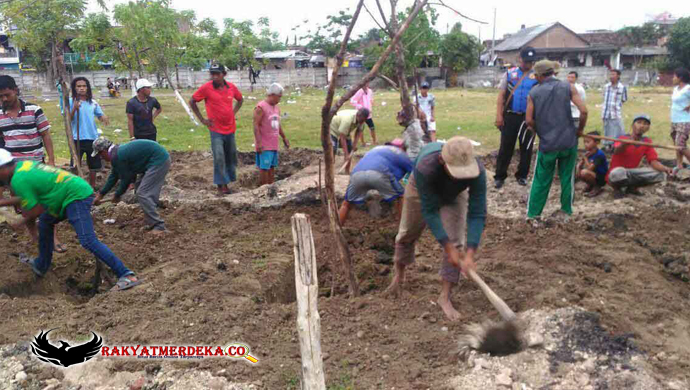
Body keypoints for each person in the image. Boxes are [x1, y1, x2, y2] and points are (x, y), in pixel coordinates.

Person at [0, 149, 140, 291]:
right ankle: (41, 266)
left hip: (75, 197)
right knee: (45, 222)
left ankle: (126, 275)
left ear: (3, 168)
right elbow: (27, 201)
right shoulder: (23, 167)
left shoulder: (19, 180)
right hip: (66, 195)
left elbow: (36, 210)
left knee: (87, 239)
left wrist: (20, 222)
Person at [388, 137, 486, 321]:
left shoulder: (476, 171)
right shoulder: (427, 167)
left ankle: (445, 297)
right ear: (442, 161)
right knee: (407, 232)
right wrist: (446, 247)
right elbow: (430, 211)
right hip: (420, 188)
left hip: (455, 195)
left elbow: (477, 212)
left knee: (456, 243)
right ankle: (399, 276)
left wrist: (470, 252)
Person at [0, 75, 66, 252]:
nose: (4, 99)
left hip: (36, 166)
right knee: (23, 206)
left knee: (45, 203)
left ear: (15, 90)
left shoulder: (34, 110)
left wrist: (51, 160)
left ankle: (53, 237)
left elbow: (46, 135)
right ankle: (36, 237)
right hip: (14, 171)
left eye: (7, 95)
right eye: (1, 97)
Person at [525, 60, 588, 221]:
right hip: (568, 142)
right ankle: (566, 211)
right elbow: (584, 111)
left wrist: (539, 130)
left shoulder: (534, 92)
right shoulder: (568, 86)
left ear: (539, 76)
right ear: (553, 73)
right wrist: (579, 130)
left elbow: (529, 120)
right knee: (567, 178)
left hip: (548, 144)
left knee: (541, 180)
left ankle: (533, 215)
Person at [92, 137, 171, 235]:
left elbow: (126, 179)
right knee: (139, 189)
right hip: (152, 161)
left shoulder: (117, 155)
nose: (100, 158)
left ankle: (158, 226)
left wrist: (117, 195)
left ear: (103, 151)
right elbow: (114, 175)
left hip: (158, 161)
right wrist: (101, 194)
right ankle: (151, 220)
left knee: (143, 193)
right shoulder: (116, 153)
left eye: (99, 154)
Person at [189, 64, 244, 196]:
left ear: (224, 74)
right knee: (219, 156)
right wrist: (202, 120)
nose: (214, 76)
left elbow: (240, 99)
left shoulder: (231, 87)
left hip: (230, 128)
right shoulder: (207, 88)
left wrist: (233, 113)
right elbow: (192, 101)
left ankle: (228, 181)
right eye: (212, 74)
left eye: (217, 74)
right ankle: (221, 186)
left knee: (230, 155)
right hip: (216, 129)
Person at [338, 140, 413, 226]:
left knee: (346, 204)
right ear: (403, 148)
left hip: (356, 174)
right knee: (400, 197)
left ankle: (336, 230)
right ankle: (403, 229)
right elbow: (416, 174)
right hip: (380, 173)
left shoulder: (376, 149)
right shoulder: (401, 154)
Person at [494, 47, 539, 189]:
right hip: (510, 116)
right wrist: (499, 115)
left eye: (531, 62)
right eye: (526, 61)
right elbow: (501, 96)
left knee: (526, 147)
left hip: (528, 118)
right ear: (520, 59)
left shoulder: (537, 76)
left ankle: (522, 175)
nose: (528, 64)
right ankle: (500, 176)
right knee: (506, 147)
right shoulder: (510, 74)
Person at [607, 115, 672, 199]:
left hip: (632, 173)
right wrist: (625, 143)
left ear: (648, 128)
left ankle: (631, 187)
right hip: (617, 173)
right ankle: (617, 189)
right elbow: (616, 151)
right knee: (617, 172)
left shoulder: (647, 142)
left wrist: (666, 169)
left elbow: (653, 162)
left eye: (645, 124)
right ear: (633, 125)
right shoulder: (622, 138)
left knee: (661, 174)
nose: (641, 126)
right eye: (639, 122)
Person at [70, 77, 110, 188]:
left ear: (87, 88)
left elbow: (99, 115)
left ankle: (91, 186)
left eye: (84, 86)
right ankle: (75, 186)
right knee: (75, 163)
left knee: (93, 164)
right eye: (79, 86)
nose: (82, 88)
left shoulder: (93, 102)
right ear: (74, 88)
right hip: (76, 137)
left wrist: (104, 118)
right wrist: (74, 108)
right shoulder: (70, 101)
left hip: (92, 137)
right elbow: (68, 119)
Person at [253, 83, 290, 186]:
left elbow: (277, 124)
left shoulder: (277, 108)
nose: (279, 99)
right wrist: (259, 143)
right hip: (264, 145)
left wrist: (284, 137)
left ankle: (271, 187)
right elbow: (255, 125)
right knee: (264, 168)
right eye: (279, 97)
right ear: (272, 94)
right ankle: (263, 189)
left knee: (272, 167)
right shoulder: (260, 107)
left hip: (274, 144)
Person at [330, 108, 368, 173]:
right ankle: (330, 170)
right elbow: (342, 137)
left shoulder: (362, 120)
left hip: (345, 130)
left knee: (349, 149)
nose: (362, 122)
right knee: (332, 149)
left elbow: (358, 132)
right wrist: (346, 153)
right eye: (361, 120)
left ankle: (346, 172)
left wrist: (354, 144)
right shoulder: (347, 120)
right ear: (357, 116)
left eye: (364, 121)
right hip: (332, 128)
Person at [670, 68, 690, 174]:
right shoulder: (676, 89)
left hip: (685, 120)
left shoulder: (688, 88)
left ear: (680, 78)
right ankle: (679, 164)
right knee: (676, 144)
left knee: (680, 144)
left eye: (674, 76)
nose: (673, 78)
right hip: (675, 119)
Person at [602, 69, 628, 151]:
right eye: (610, 75)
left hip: (616, 113)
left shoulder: (622, 88)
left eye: (613, 75)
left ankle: (616, 146)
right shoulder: (606, 87)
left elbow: (624, 99)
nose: (611, 76)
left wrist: (617, 106)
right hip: (606, 112)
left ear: (618, 76)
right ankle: (607, 146)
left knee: (618, 130)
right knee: (607, 129)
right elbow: (604, 97)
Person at [576, 131, 608, 198]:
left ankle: (597, 186)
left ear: (597, 143)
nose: (585, 144)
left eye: (588, 142)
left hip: (601, 177)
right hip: (594, 174)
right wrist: (580, 165)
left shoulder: (599, 154)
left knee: (584, 172)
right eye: (584, 142)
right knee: (578, 168)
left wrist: (585, 158)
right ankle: (590, 185)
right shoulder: (589, 153)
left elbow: (590, 168)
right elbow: (581, 166)